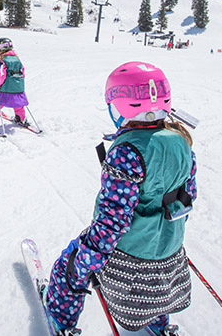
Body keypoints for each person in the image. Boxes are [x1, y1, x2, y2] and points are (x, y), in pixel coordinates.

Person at [42, 61, 197, 336]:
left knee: (69, 266)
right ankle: (157, 323)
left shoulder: (126, 153)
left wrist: (90, 256)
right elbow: (187, 197)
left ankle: (60, 316)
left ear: (122, 106)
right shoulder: (182, 143)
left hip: (128, 262)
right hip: (169, 256)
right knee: (154, 286)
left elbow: (113, 220)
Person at [0, 38, 30, 128]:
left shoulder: (2, 61)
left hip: (5, 90)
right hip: (19, 89)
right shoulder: (17, 59)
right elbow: (23, 73)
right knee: (18, 104)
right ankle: (21, 119)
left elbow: (1, 76)